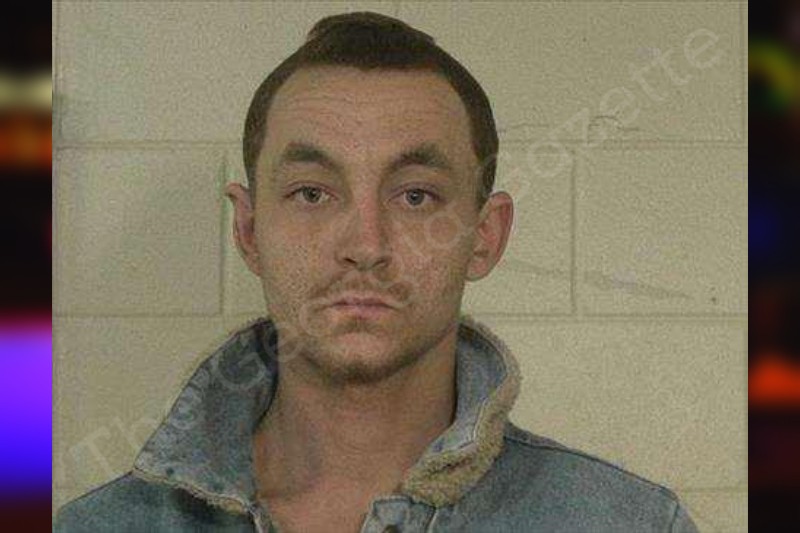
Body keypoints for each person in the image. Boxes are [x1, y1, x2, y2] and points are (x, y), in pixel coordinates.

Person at [54, 12, 698, 532]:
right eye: (312, 193)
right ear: (248, 231)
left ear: (485, 236)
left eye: (415, 196)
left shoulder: (630, 523)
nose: (365, 245)